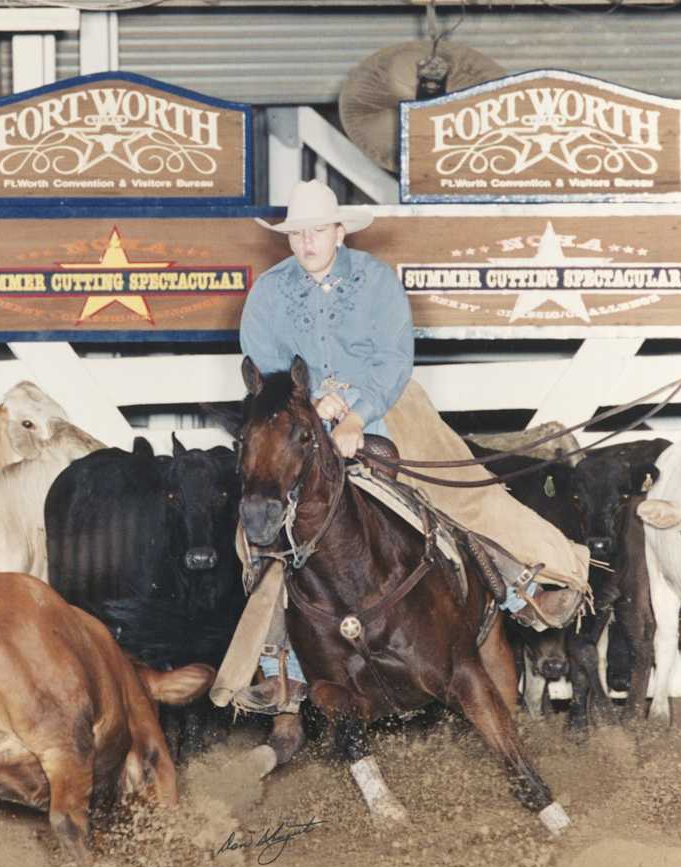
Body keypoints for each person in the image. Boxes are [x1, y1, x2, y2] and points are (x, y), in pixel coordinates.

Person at [230, 179, 589, 715]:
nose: (306, 244)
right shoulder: (269, 293)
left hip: (387, 404)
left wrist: (355, 412)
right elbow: (268, 371)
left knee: (458, 490)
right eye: (297, 234)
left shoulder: (375, 281)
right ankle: (284, 663)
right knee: (259, 527)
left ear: (338, 232)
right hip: (299, 422)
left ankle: (525, 582)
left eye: (316, 232)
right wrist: (311, 407)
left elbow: (394, 359)